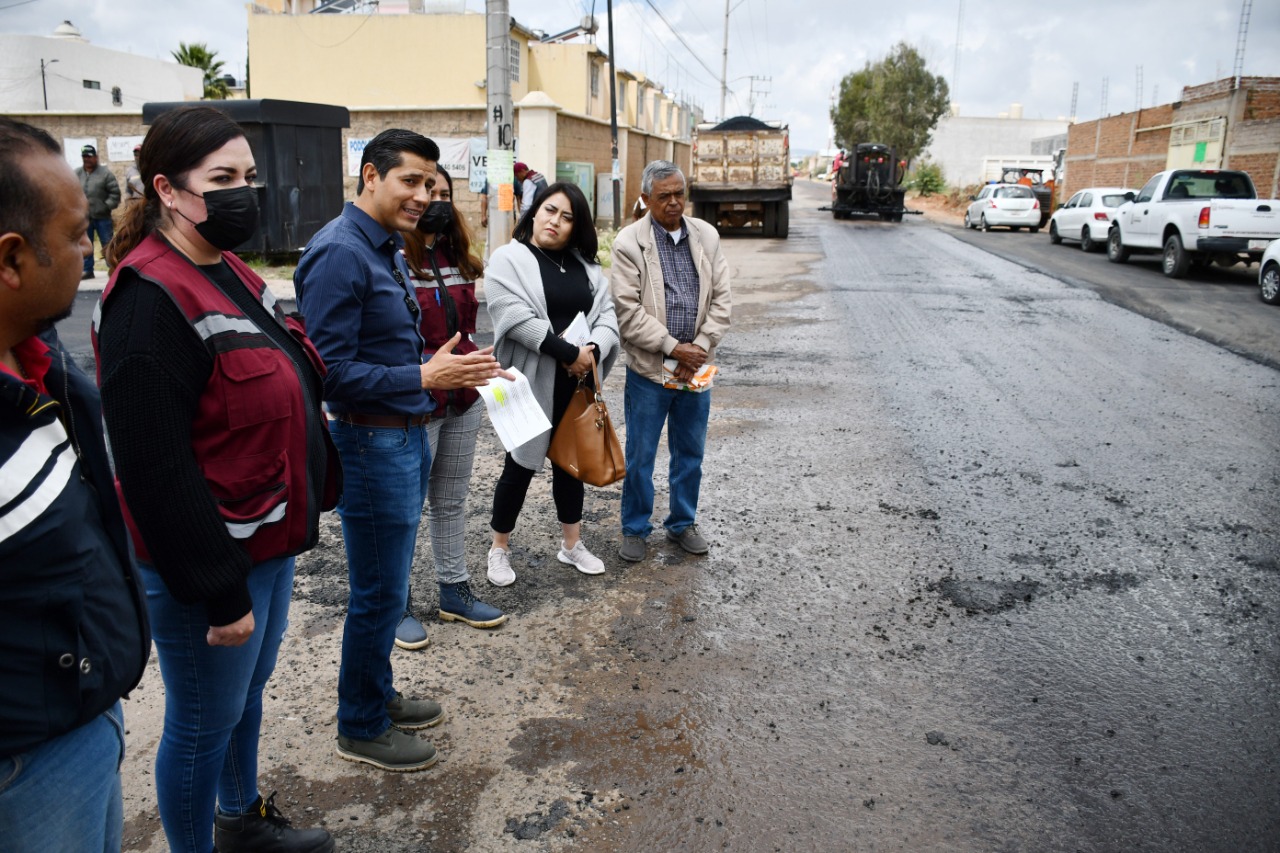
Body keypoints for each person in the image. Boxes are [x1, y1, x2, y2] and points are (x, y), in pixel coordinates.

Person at [94, 105, 339, 853]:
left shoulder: (225, 267)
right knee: (202, 723)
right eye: (222, 179)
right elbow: (154, 471)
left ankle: (241, 820)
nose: (245, 193)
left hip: (262, 539)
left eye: (250, 177)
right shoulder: (147, 301)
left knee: (244, 700)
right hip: (208, 567)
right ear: (167, 189)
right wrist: (220, 587)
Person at [295, 128, 507, 773]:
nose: (423, 196)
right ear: (369, 176)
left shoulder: (382, 245)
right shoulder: (338, 253)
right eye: (409, 181)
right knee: (378, 593)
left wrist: (439, 368)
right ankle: (359, 724)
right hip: (369, 440)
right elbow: (326, 372)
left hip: (402, 434)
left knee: (386, 589)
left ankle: (378, 695)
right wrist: (423, 376)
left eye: (429, 184)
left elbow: (384, 349)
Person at [0, 117, 150, 853]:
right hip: (29, 756)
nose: (89, 247)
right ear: (12, 257)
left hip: (81, 716)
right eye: (74, 232)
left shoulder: (38, 364)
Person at [484, 181, 620, 586]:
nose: (555, 221)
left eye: (567, 216)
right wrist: (568, 353)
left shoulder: (587, 268)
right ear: (534, 211)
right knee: (518, 467)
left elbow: (608, 317)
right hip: (529, 382)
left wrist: (593, 348)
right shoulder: (510, 259)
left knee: (570, 467)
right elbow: (511, 315)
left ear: (576, 227)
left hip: (575, 385)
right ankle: (498, 549)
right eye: (549, 210)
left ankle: (571, 545)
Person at [397, 165, 507, 647]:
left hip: (464, 397)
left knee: (451, 500)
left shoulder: (457, 254)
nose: (433, 200)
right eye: (426, 191)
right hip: (415, 400)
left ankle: (453, 590)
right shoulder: (393, 256)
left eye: (443, 192)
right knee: (404, 508)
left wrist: (481, 362)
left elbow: (464, 326)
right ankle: (394, 603)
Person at [610, 160, 732, 563]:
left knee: (690, 452)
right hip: (649, 370)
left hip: (695, 367)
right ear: (645, 199)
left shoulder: (707, 236)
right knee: (641, 454)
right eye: (665, 196)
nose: (675, 202)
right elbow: (627, 312)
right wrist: (672, 347)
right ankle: (635, 528)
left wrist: (696, 347)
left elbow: (721, 301)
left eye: (680, 193)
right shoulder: (629, 243)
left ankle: (682, 523)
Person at [76, 143, 121, 280]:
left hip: (103, 217)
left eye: (89, 156)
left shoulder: (105, 174)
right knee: (86, 244)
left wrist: (105, 206)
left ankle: (112, 269)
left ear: (96, 157)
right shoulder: (76, 174)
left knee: (107, 244)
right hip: (85, 218)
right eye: (84, 156)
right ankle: (87, 270)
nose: (87, 159)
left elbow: (115, 194)